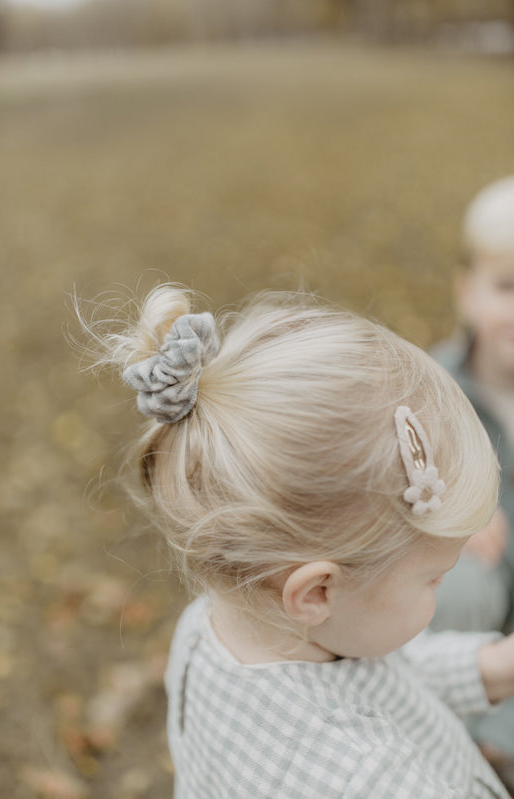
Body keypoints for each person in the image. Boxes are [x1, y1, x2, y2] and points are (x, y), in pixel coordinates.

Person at [89, 284, 514, 798]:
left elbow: (378, 678)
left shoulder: (224, 624)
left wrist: (492, 667)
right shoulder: (368, 782)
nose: (444, 583)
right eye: (432, 577)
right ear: (315, 592)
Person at [431, 176, 514, 774]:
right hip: (473, 609)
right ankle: (450, 729)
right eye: (507, 286)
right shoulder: (428, 388)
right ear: (466, 291)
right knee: (454, 578)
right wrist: (450, 503)